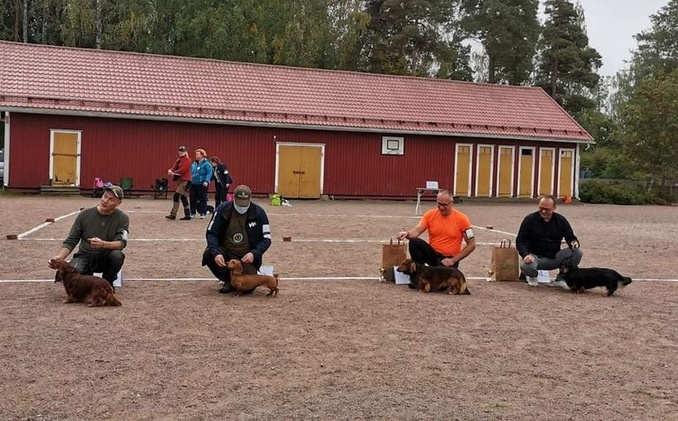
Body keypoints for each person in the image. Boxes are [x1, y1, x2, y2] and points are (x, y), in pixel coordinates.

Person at [47, 185, 129, 287]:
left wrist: (103, 244)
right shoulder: (84, 215)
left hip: (106, 257)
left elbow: (121, 243)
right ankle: (86, 277)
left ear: (118, 203)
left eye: (111, 199)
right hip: (84, 256)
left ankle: (107, 283)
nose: (105, 201)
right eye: (104, 196)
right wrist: (59, 258)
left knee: (117, 256)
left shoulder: (123, 218)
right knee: (74, 274)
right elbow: (71, 240)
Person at [397, 190, 477, 287]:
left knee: (442, 284)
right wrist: (407, 233)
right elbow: (417, 231)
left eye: (444, 205)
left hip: (448, 259)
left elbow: (472, 244)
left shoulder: (463, 219)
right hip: (433, 254)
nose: (441, 207)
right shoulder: (430, 215)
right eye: (439, 204)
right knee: (414, 242)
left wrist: (453, 260)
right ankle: (418, 276)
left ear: (452, 203)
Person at [202, 185, 272, 294]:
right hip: (226, 252)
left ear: (250, 199)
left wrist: (254, 253)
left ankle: (239, 280)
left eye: (244, 204)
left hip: (246, 256)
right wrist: (216, 253)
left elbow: (266, 238)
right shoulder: (222, 209)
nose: (242, 207)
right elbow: (211, 233)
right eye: (239, 203)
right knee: (208, 254)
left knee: (248, 288)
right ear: (233, 198)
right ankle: (228, 280)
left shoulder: (259, 213)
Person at [516, 194, 582, 287]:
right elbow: (520, 241)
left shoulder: (561, 220)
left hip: (555, 257)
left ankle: (561, 278)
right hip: (534, 258)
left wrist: (574, 244)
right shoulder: (529, 220)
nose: (543, 211)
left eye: (547, 209)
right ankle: (532, 277)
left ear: (554, 208)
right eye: (541, 208)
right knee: (525, 265)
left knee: (577, 253)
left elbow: (571, 237)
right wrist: (525, 255)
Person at [165, 145, 193, 220]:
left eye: (182, 151)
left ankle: (173, 214)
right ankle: (187, 215)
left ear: (186, 152)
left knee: (176, 196)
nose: (181, 152)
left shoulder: (187, 160)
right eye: (180, 151)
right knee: (183, 197)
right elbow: (174, 167)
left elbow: (183, 169)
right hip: (180, 180)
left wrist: (173, 172)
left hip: (185, 180)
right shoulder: (179, 160)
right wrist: (170, 170)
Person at [189, 148, 213, 219]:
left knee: (202, 198)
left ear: (202, 155)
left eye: (198, 154)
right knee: (192, 198)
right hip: (193, 183)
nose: (196, 156)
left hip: (202, 184)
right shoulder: (194, 163)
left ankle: (203, 212)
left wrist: (206, 180)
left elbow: (209, 173)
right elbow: (191, 171)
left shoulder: (206, 164)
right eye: (196, 154)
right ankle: (192, 212)